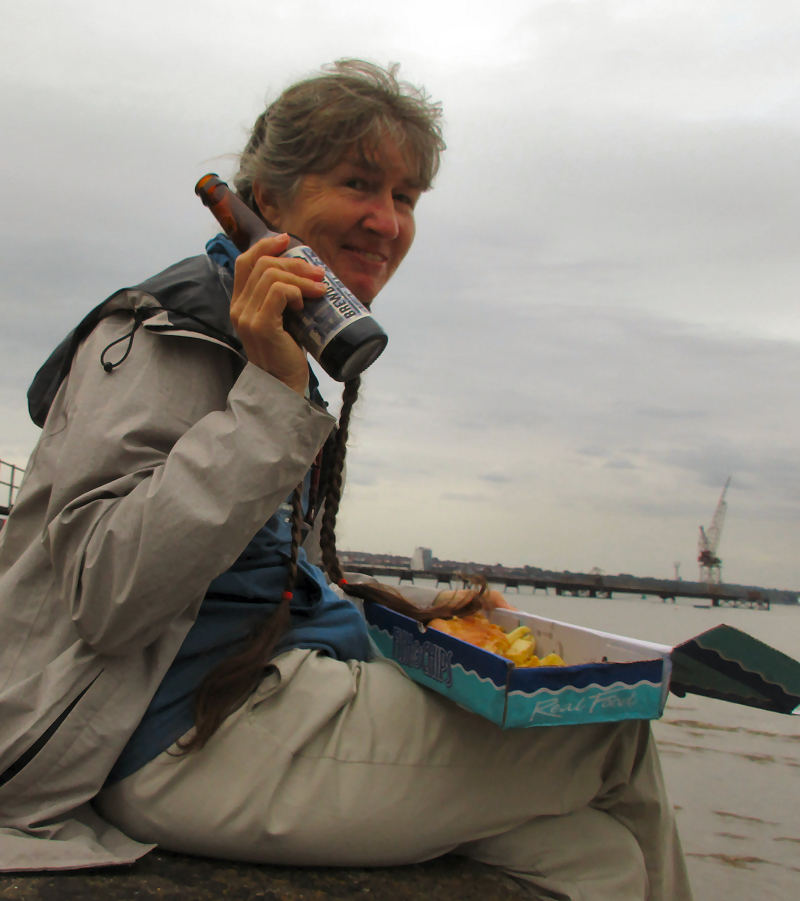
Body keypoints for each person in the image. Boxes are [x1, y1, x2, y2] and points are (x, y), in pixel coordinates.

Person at [0, 60, 693, 900]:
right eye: (360, 184)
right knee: (613, 734)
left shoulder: (268, 337)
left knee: (590, 856)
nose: (387, 221)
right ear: (266, 201)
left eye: (406, 198)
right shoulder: (169, 335)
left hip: (256, 696)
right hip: (168, 736)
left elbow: (265, 577)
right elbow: (103, 594)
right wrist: (271, 403)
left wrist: (430, 615)